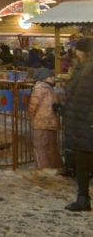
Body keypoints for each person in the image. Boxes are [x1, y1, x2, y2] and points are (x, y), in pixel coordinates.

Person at [60, 36, 93, 211]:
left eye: (79, 49)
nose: (76, 52)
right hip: (79, 125)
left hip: (87, 124)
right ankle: (83, 199)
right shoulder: (80, 71)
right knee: (81, 163)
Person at [27, 68, 63, 169]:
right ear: (44, 78)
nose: (53, 78)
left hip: (41, 121)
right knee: (49, 145)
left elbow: (33, 105)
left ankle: (43, 167)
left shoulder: (42, 87)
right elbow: (34, 103)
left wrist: (32, 116)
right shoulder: (46, 88)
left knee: (40, 145)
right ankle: (54, 165)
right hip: (48, 121)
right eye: (51, 76)